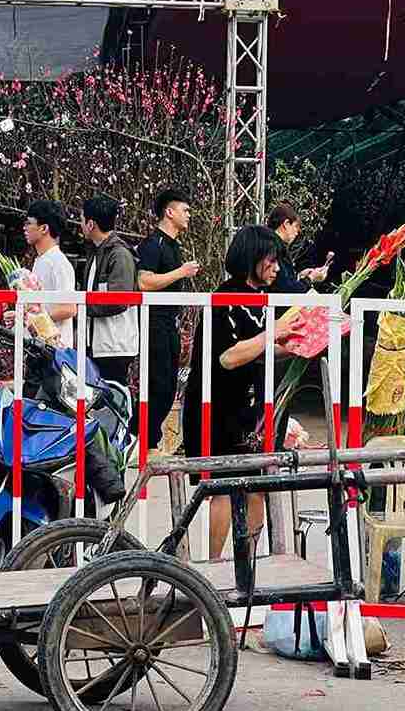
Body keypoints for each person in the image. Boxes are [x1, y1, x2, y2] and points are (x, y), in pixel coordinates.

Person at [181, 224, 298, 559]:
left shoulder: (262, 300)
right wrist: (272, 334)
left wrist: (296, 346)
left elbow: (262, 349)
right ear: (252, 259)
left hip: (255, 410)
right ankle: (216, 565)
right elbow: (229, 357)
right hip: (221, 406)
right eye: (272, 261)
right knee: (224, 487)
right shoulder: (225, 299)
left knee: (259, 487)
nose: (277, 268)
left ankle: (250, 562)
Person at [135, 188, 200, 449]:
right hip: (154, 325)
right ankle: (144, 441)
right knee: (158, 387)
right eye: (184, 210)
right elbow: (144, 281)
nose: (188, 216)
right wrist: (180, 272)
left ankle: (148, 440)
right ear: (169, 212)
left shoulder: (174, 245)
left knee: (169, 386)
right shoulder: (153, 244)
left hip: (170, 324)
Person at [80, 196, 138, 388]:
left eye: (81, 219)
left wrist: (81, 307)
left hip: (114, 347)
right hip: (99, 344)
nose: (80, 225)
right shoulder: (98, 252)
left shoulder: (119, 254)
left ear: (90, 224)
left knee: (111, 399)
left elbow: (119, 300)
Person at [24, 200, 76, 347]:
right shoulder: (41, 260)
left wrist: (34, 319)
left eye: (29, 223)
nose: (25, 228)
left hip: (56, 352)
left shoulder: (58, 262)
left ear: (44, 228)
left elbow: (69, 308)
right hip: (40, 348)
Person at [266, 203, 332, 294]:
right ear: (286, 224)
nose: (297, 232)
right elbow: (287, 291)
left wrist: (299, 276)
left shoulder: (268, 244)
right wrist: (310, 278)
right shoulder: (276, 248)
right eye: (296, 226)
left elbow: (281, 282)